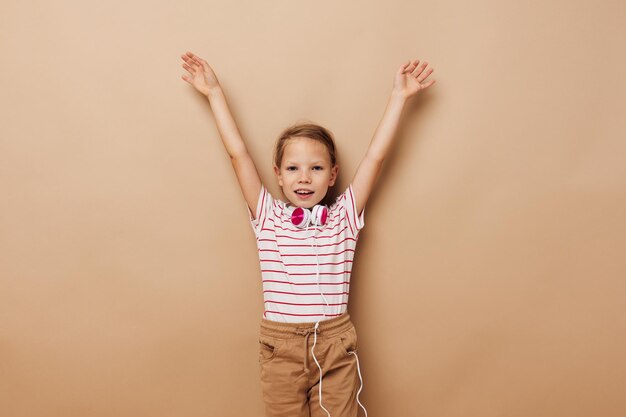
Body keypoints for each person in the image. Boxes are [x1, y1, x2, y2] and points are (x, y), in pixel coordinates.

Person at [180, 51, 436, 417]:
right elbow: (238, 155)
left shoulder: (343, 217)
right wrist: (214, 93)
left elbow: (375, 158)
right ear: (278, 174)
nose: (304, 177)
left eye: (316, 168)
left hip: (333, 344)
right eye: (293, 168)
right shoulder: (268, 216)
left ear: (333, 175)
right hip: (279, 347)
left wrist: (399, 97)